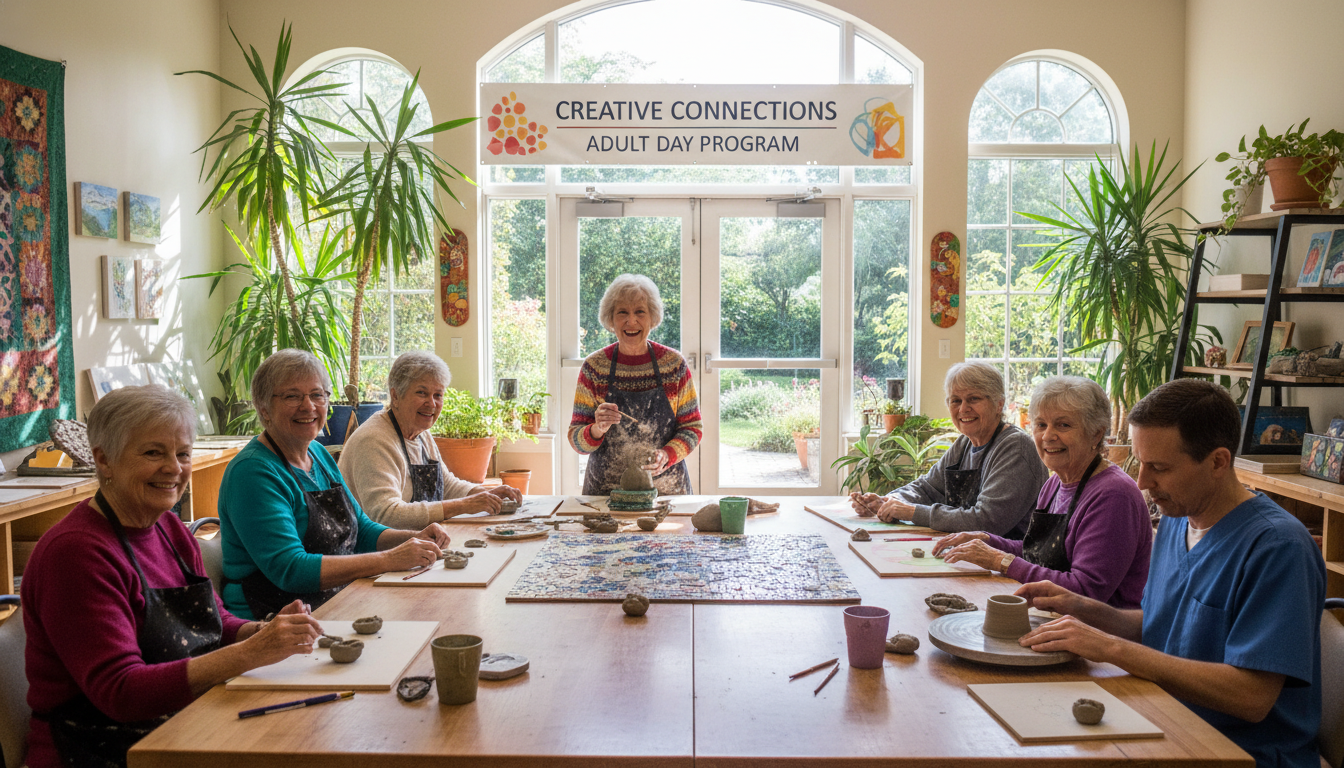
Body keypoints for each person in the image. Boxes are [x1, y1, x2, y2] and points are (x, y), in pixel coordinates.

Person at [1017, 379, 1324, 768]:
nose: (1143, 484)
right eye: (1140, 465)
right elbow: (1163, 626)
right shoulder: (1178, 520)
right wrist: (1084, 610)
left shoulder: (1278, 548)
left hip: (1240, 752)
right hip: (1165, 718)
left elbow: (1251, 697)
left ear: (1218, 462)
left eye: (1159, 468)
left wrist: (1112, 648)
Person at [21, 385, 323, 768]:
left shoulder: (168, 526)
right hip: (101, 749)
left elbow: (212, 622)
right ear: (104, 460)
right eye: (153, 453)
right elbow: (121, 692)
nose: (174, 468)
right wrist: (250, 654)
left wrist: (262, 631)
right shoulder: (75, 554)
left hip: (182, 722)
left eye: (182, 454)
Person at [219, 349, 452, 620]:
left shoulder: (317, 454)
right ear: (263, 409)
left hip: (334, 599)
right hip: (274, 620)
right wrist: (390, 559)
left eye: (317, 395)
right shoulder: (253, 472)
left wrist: (415, 537)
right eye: (292, 396)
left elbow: (362, 530)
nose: (309, 406)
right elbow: (290, 570)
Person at [933, 376, 1151, 607]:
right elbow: (1036, 551)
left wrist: (1001, 561)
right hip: (1054, 617)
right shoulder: (1055, 483)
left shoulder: (1113, 495)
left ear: (1096, 434)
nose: (1048, 436)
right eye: (1041, 425)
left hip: (1095, 632)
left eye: (1063, 425)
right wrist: (988, 540)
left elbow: (1085, 592)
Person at [849, 361, 1047, 536]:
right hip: (976, 556)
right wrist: (889, 501)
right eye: (956, 401)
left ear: (999, 404)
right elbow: (927, 488)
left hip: (1013, 565)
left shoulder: (1016, 447)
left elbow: (986, 522)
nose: (963, 409)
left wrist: (911, 512)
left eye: (974, 399)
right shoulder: (965, 443)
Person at [339, 350, 522, 527]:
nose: (432, 403)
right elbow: (385, 515)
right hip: (374, 552)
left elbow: (447, 485)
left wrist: (486, 494)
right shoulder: (373, 441)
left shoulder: (421, 434)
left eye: (438, 395)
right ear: (395, 396)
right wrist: (464, 505)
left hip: (414, 542)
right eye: (422, 393)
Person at [568, 274, 703, 494]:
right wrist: (596, 429)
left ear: (652, 317)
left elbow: (692, 428)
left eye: (640, 311)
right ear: (611, 319)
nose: (631, 321)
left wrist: (667, 454)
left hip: (666, 496)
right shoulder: (594, 367)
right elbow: (576, 440)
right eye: (622, 312)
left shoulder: (673, 365)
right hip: (606, 498)